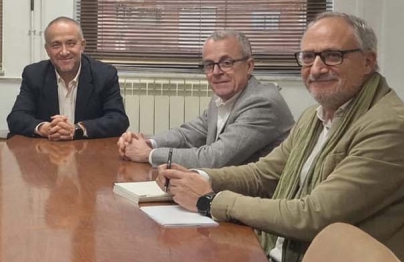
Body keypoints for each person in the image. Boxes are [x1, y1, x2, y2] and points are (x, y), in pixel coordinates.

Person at [159, 12, 404, 262]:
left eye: (332, 56)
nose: (317, 69)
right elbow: (262, 174)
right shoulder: (316, 116)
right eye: (308, 57)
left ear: (368, 61)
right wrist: (196, 177)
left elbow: (312, 215)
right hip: (283, 258)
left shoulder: (390, 128)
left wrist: (210, 201)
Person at [116, 30, 294, 168]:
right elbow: (188, 134)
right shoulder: (223, 98)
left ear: (249, 66)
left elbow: (214, 159)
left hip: (257, 198)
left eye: (226, 63)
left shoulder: (262, 103)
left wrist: (148, 154)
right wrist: (148, 142)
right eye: (209, 65)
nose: (216, 72)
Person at [7, 17, 129, 140]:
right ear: (47, 50)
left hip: (87, 149)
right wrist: (45, 128)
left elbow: (118, 119)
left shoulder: (104, 74)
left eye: (71, 43)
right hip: (47, 148)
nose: (64, 52)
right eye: (56, 45)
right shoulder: (34, 74)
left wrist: (77, 129)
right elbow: (16, 117)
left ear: (82, 45)